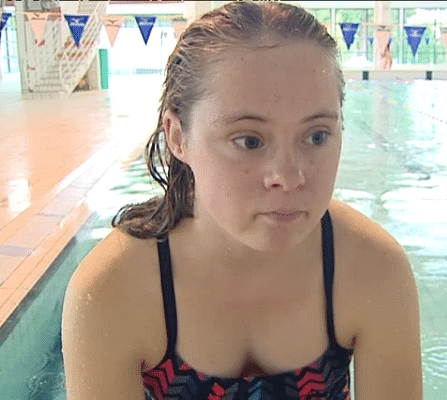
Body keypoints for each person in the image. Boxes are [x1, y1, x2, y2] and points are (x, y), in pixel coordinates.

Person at [61, 1, 422, 399]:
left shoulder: (371, 268)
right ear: (178, 136)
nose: (288, 178)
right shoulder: (115, 290)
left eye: (317, 136)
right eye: (249, 141)